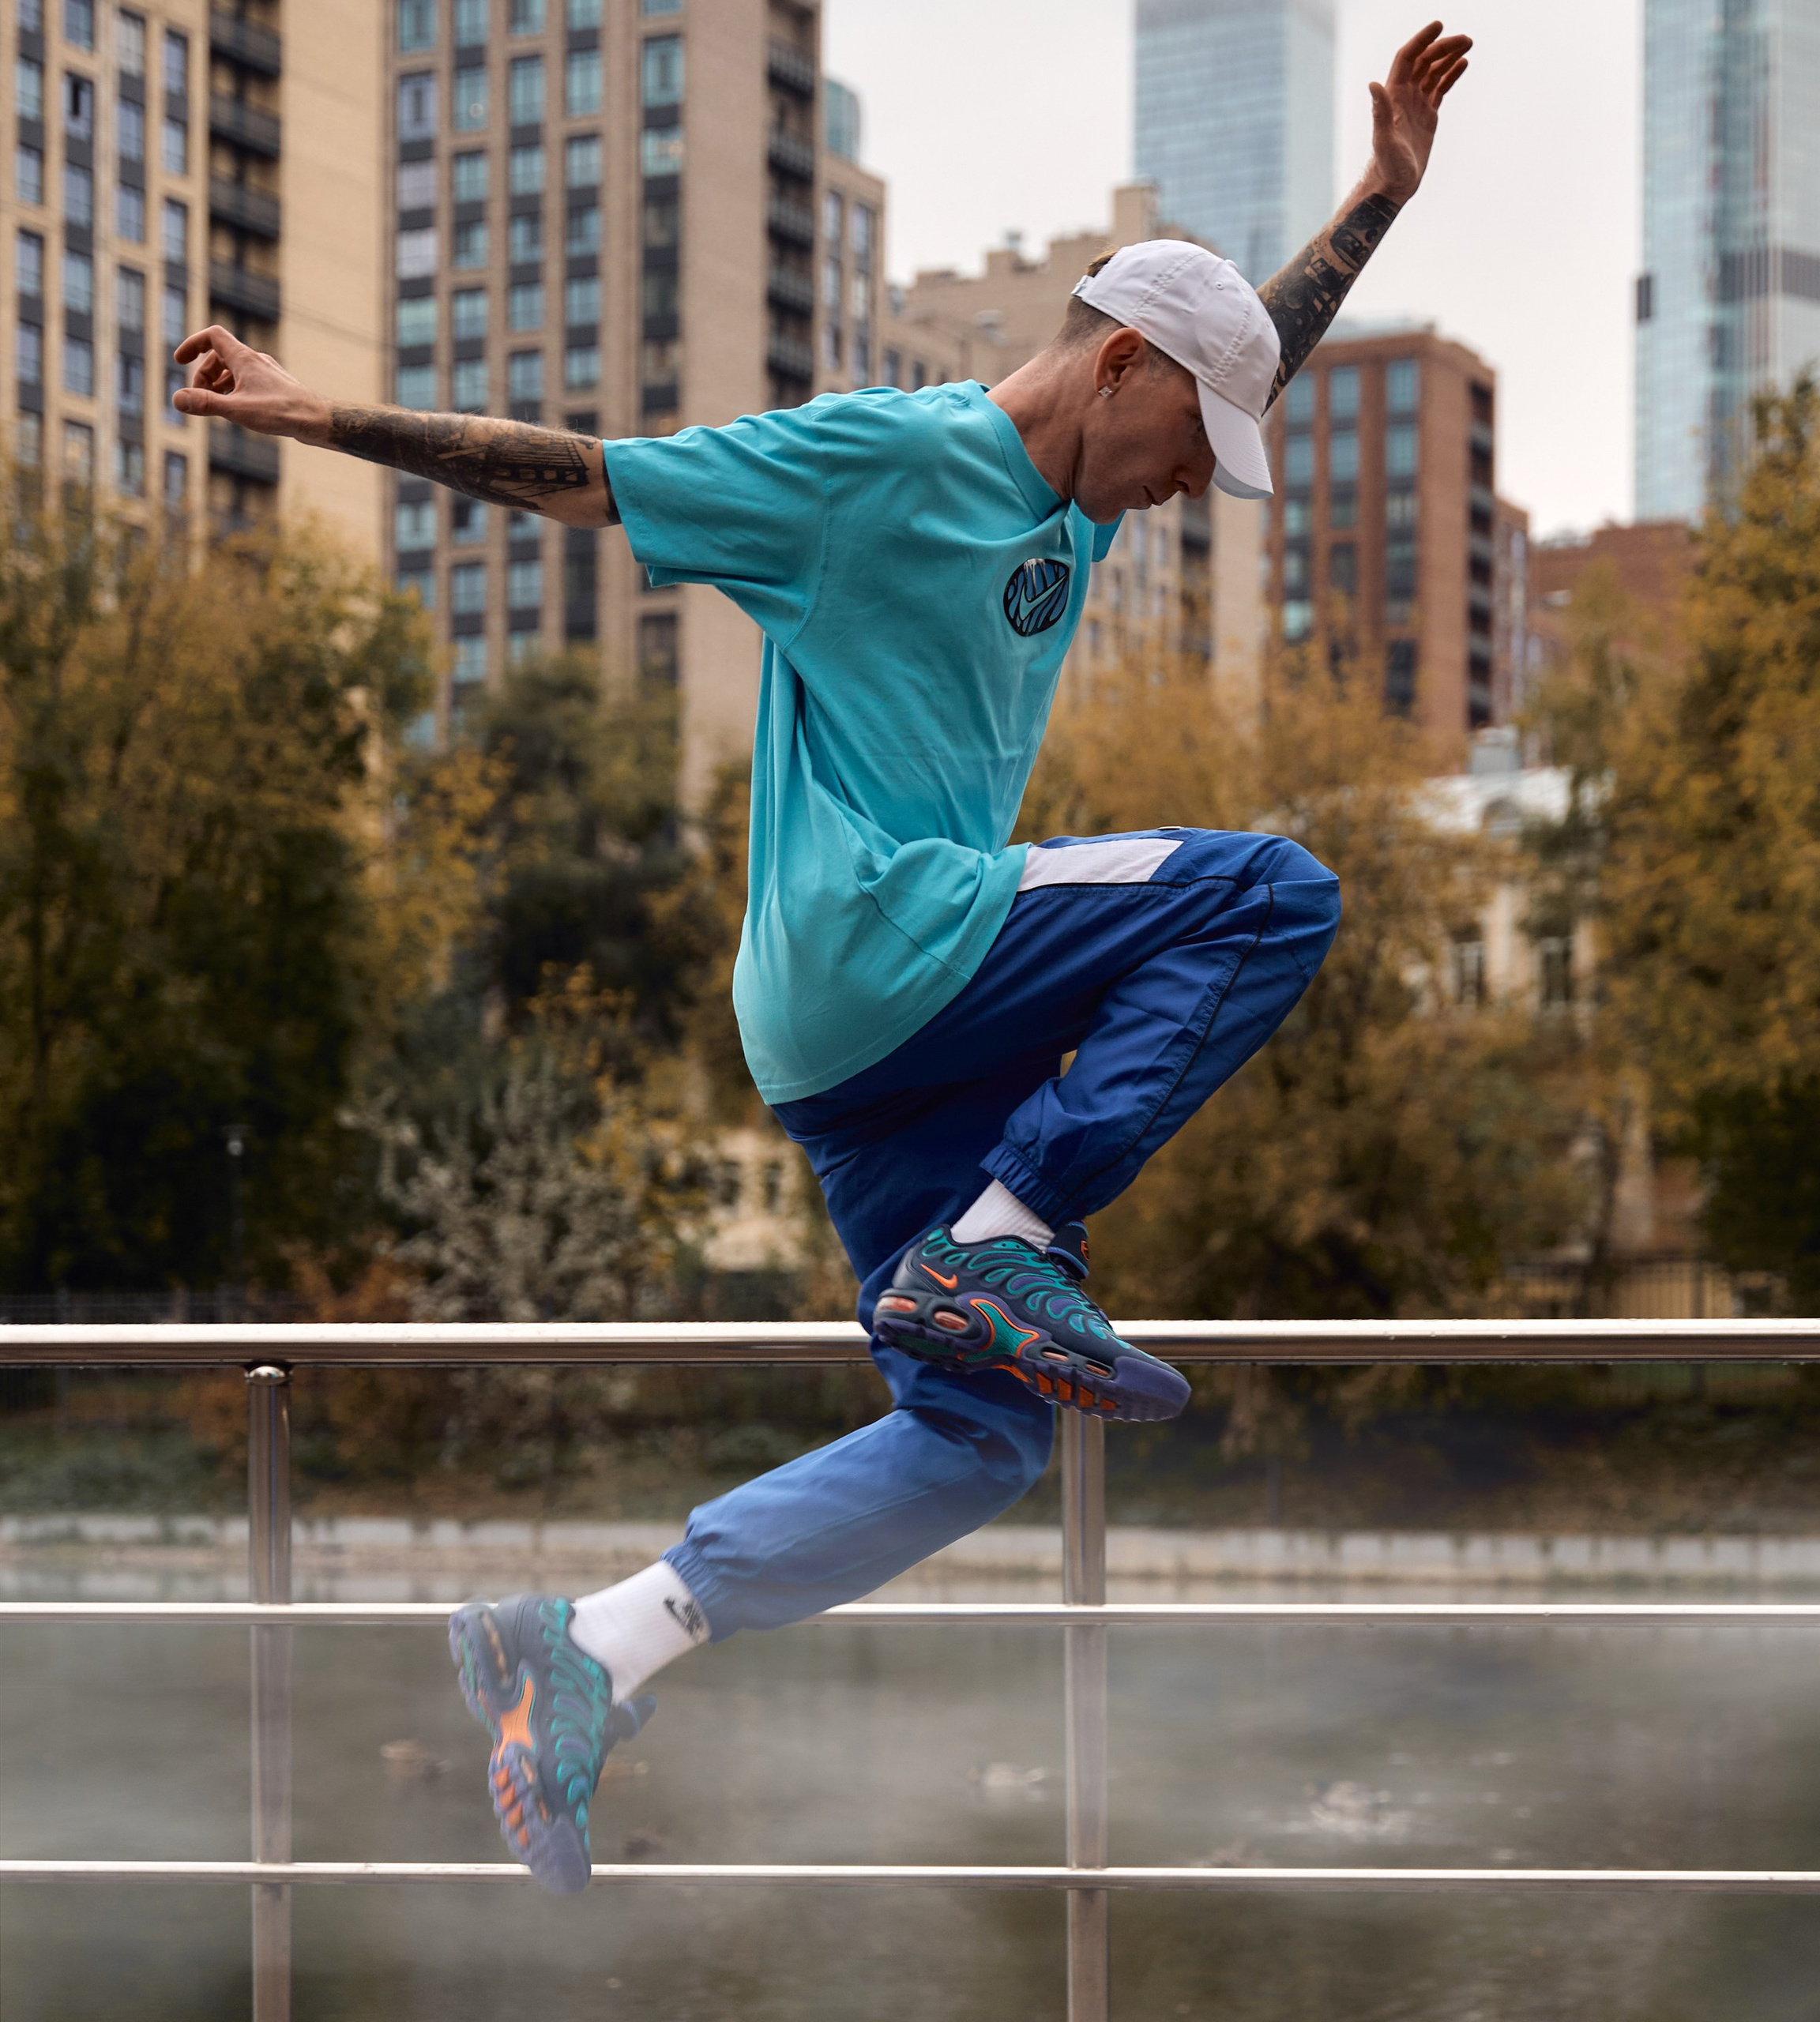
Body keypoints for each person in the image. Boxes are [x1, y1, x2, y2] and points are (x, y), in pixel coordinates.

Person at [174, 22, 1470, 1894]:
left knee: (971, 1440)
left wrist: (1376, 195)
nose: (1188, 487)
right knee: (1271, 891)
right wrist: (308, 415)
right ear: (1118, 369)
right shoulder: (875, 461)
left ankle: (597, 1644)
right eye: (1189, 444)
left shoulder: (1084, 476)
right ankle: (1003, 1251)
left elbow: (1238, 332)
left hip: (856, 1052)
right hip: (892, 938)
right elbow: (584, 476)